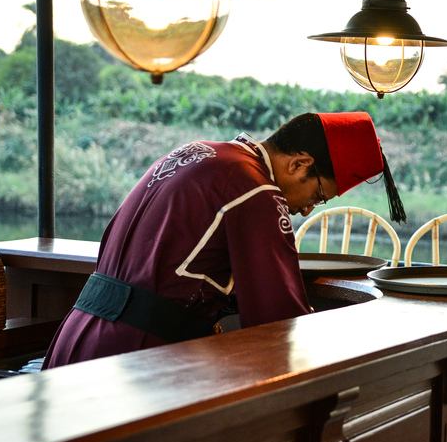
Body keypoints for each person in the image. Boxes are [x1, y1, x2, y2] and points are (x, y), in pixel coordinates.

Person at [43, 111, 405, 368]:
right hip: (134, 359)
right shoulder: (256, 190)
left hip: (75, 337)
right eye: (319, 195)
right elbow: (278, 322)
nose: (308, 210)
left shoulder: (196, 152)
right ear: (299, 164)